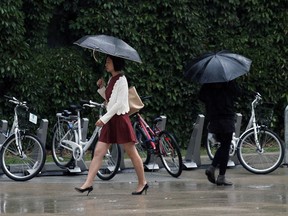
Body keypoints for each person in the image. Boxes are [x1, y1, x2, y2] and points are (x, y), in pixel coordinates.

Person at [75, 55, 148, 195]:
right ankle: (88, 183)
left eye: (108, 62)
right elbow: (110, 99)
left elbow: (119, 104)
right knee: (98, 152)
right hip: (111, 121)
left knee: (132, 153)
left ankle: (142, 182)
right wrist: (102, 88)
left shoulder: (122, 80)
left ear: (116, 63)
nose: (106, 64)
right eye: (106, 62)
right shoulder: (112, 79)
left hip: (120, 120)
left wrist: (103, 119)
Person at [199, 80, 241, 186]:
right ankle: (219, 174)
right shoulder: (228, 81)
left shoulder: (208, 82)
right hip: (226, 115)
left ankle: (213, 169)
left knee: (223, 145)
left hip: (214, 116)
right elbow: (237, 92)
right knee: (225, 146)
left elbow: (201, 96)